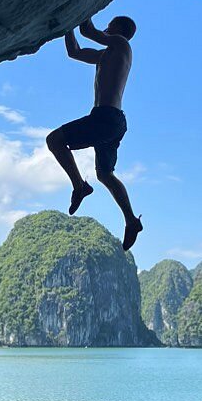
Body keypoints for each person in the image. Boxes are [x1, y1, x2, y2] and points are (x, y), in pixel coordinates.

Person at [46, 17, 143, 250]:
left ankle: (80, 186)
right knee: (105, 174)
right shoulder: (105, 56)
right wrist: (66, 27)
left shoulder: (121, 45)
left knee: (55, 140)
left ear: (119, 29)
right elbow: (75, 51)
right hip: (112, 120)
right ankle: (130, 220)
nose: (107, 27)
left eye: (110, 24)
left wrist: (80, 9)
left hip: (106, 117)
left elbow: (88, 30)